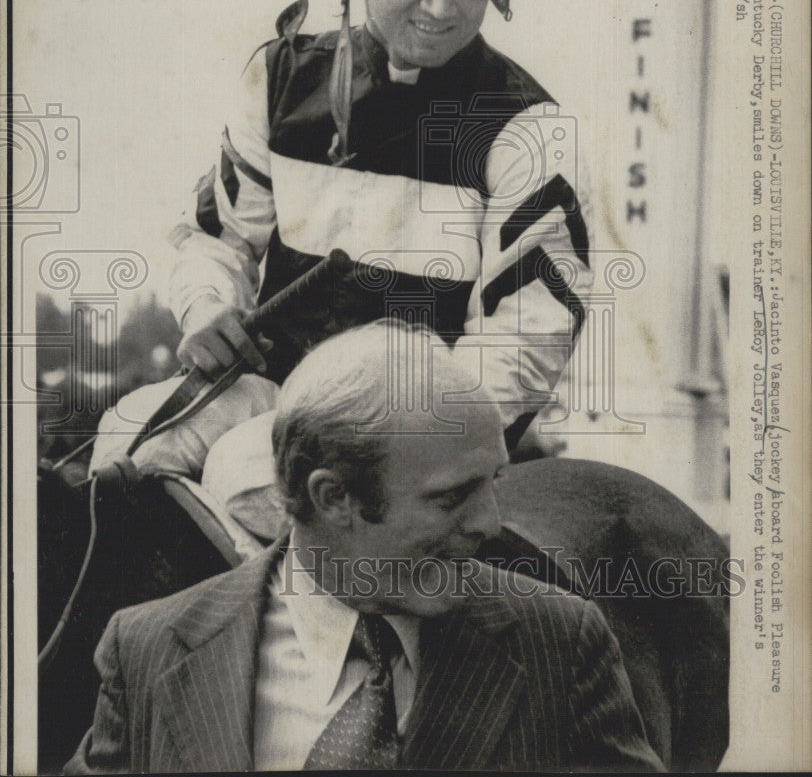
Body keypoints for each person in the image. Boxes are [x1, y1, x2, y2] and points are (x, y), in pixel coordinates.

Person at [90, 0, 593, 533]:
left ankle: (308, 646)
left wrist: (413, 440)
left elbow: (528, 339)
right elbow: (217, 240)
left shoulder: (530, 129)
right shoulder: (278, 77)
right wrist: (208, 314)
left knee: (245, 474)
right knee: (126, 437)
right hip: (275, 395)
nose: (443, 6)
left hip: (418, 430)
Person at [66, 322, 662, 773]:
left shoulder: (562, 642)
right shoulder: (145, 653)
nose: (490, 523)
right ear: (333, 498)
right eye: (452, 497)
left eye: (495, 482)